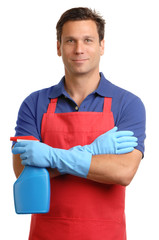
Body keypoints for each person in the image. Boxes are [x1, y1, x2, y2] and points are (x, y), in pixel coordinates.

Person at [12, 7, 146, 240]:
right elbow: (23, 172)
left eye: (88, 40)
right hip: (47, 234)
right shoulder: (34, 103)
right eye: (70, 41)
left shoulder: (127, 104)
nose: (79, 49)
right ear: (58, 47)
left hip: (106, 234)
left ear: (102, 46)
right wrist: (93, 154)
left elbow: (123, 172)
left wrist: (50, 157)